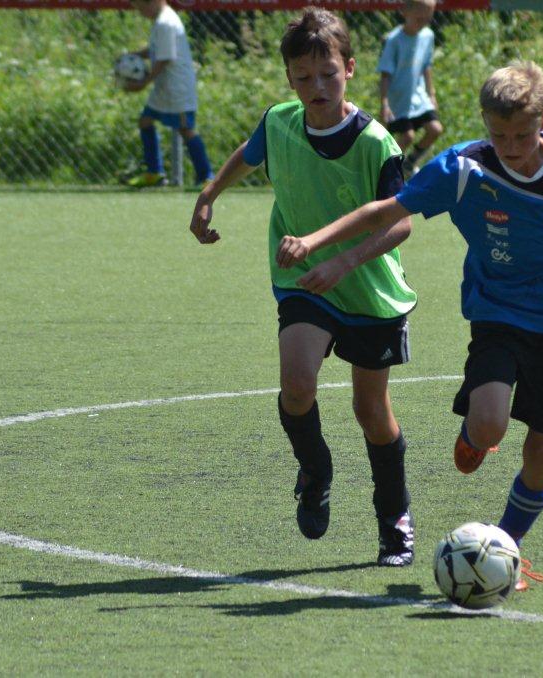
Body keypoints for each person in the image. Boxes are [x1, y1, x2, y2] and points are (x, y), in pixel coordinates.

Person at [277, 61, 543, 590]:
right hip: (496, 312)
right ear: (485, 125)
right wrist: (318, 244)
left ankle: (506, 547)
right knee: (489, 425)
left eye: (522, 135)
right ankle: (475, 437)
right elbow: (386, 211)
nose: (510, 148)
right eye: (498, 136)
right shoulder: (464, 168)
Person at [189, 7, 419, 566]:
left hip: (368, 290)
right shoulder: (280, 123)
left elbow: (401, 224)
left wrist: (343, 262)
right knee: (297, 384)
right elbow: (249, 155)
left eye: (328, 74)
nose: (317, 87)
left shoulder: (376, 143)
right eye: (303, 77)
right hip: (302, 283)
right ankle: (316, 471)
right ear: (289, 79)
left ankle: (394, 520)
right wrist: (209, 194)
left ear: (350, 69)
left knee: (372, 412)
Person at [122, 0, 213, 188]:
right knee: (145, 121)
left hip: (177, 88)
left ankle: (206, 177)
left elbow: (164, 59)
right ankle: (154, 173)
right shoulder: (161, 20)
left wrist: (143, 83)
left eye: (141, 8)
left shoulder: (166, 23)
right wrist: (135, 55)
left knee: (186, 129)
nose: (140, 12)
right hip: (164, 88)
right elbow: (156, 50)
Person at [377, 0, 443, 178]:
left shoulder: (428, 35)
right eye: (419, 19)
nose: (423, 23)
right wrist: (384, 103)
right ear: (405, 11)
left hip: (419, 96)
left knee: (435, 129)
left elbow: (426, 66)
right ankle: (385, 167)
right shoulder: (394, 40)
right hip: (399, 99)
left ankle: (409, 163)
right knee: (408, 136)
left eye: (427, 19)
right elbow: (385, 74)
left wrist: (431, 93)